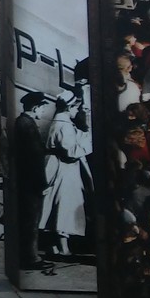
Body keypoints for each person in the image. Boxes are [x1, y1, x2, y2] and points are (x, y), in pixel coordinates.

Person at [39, 92, 93, 257]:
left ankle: (54, 246)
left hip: (58, 167)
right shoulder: (65, 125)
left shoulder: (60, 122)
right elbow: (70, 151)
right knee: (65, 207)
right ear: (70, 107)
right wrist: (90, 143)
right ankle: (64, 248)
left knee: (55, 206)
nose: (77, 111)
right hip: (65, 169)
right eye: (76, 107)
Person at [14, 91, 52, 270]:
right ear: (36, 107)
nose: (44, 111)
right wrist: (42, 184)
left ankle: (29, 255)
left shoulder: (23, 122)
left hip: (26, 181)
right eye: (43, 107)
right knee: (31, 220)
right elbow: (34, 158)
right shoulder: (27, 125)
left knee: (29, 220)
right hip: (31, 183)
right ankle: (31, 258)